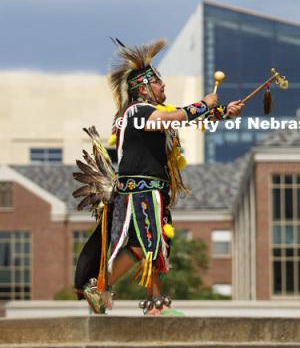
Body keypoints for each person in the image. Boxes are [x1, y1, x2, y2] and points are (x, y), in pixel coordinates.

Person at [73, 38, 243, 315]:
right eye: (158, 82)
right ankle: (101, 287)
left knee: (154, 246)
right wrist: (204, 104)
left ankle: (155, 303)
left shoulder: (150, 112)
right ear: (143, 87)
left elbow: (181, 118)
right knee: (146, 245)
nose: (163, 86)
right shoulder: (137, 112)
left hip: (152, 189)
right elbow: (170, 119)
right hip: (141, 189)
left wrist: (223, 112)